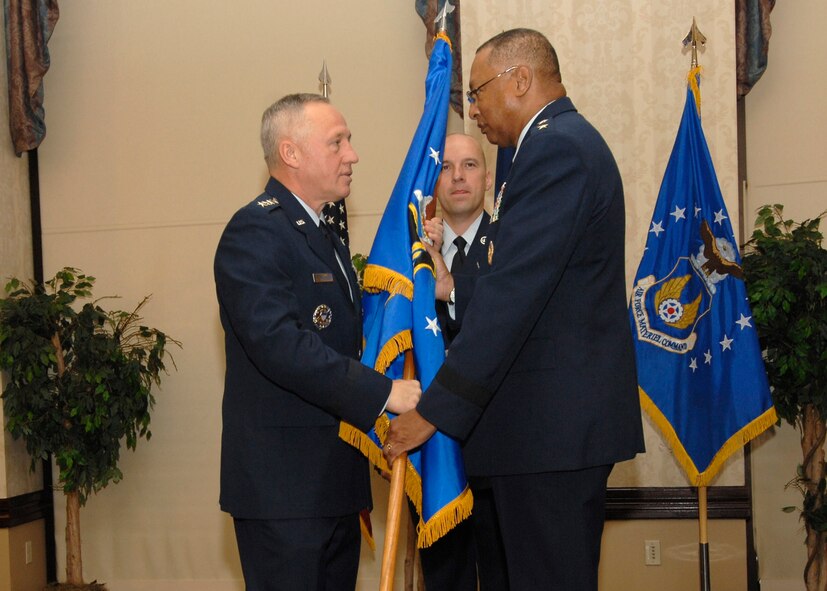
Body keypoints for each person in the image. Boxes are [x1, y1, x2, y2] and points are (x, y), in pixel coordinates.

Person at [384, 29, 645, 590]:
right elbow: (536, 286)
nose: (472, 110)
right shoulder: (548, 147)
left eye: (477, 93)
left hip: (550, 436)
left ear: (520, 80)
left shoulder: (556, 149)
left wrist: (432, 412)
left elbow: (514, 299)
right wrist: (452, 289)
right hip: (536, 436)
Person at [214, 93, 421, 591]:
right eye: (337, 142)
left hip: (332, 486)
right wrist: (383, 392)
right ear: (291, 153)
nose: (352, 154)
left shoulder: (322, 232)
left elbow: (345, 337)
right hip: (284, 492)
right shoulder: (255, 231)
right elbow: (281, 345)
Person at [413, 133, 506, 591]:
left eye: (469, 165)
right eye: (446, 168)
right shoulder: (414, 258)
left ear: (487, 179)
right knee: (445, 580)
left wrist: (451, 289)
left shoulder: (512, 246)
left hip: (501, 447)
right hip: (437, 449)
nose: (457, 177)